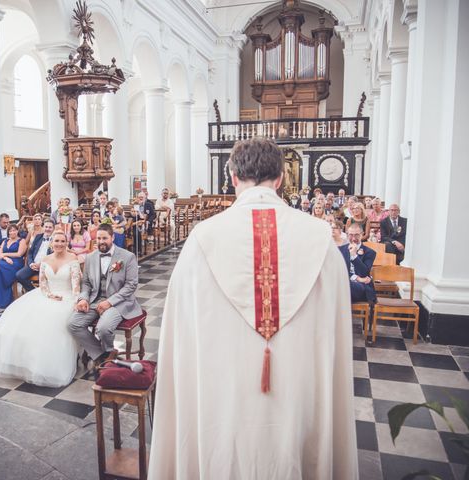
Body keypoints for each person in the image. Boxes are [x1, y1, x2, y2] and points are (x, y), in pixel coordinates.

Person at [148, 138, 357, 479]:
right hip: (299, 401)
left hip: (221, 402)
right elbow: (336, 330)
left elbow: (180, 338)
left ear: (231, 177)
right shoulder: (321, 239)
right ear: (279, 179)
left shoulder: (202, 239)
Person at [0, 230, 81, 387]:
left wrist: (73, 300)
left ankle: (51, 363)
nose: (59, 244)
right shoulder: (45, 259)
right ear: (52, 243)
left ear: (67, 243)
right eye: (56, 241)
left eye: (62, 241)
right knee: (24, 320)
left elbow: (76, 285)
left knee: (55, 321)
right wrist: (49, 295)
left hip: (67, 296)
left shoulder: (73, 259)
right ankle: (24, 361)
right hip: (47, 295)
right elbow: (43, 283)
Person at [69, 224, 142, 368]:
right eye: (98, 238)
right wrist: (83, 298)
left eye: (105, 238)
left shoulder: (127, 257)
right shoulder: (90, 257)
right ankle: (102, 354)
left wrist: (110, 302)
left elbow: (131, 285)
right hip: (95, 299)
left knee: (103, 328)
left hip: (119, 302)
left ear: (112, 238)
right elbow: (87, 283)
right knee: (73, 323)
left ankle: (109, 350)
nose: (101, 241)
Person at [0, 224, 26, 308]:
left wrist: (5, 254)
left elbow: (19, 254)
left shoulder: (22, 241)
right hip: (5, 262)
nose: (12, 232)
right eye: (10, 231)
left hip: (15, 263)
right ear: (8, 232)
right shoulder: (5, 241)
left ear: (17, 231)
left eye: (14, 230)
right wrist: (6, 258)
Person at [339, 223, 377, 304]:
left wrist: (354, 256)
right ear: (347, 235)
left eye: (356, 235)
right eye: (350, 235)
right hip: (345, 283)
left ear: (362, 235)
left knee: (342, 286)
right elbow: (338, 272)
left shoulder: (369, 252)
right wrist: (356, 278)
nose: (353, 238)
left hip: (362, 287)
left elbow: (364, 273)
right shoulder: (340, 250)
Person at [15, 219, 54, 292]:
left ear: (53, 229)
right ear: (43, 227)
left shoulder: (55, 240)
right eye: (46, 227)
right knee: (19, 275)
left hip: (46, 267)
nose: (48, 229)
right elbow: (30, 252)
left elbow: (54, 257)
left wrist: (41, 265)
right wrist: (31, 263)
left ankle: (45, 292)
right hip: (33, 264)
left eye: (50, 227)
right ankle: (33, 292)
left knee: (48, 281)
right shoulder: (38, 237)